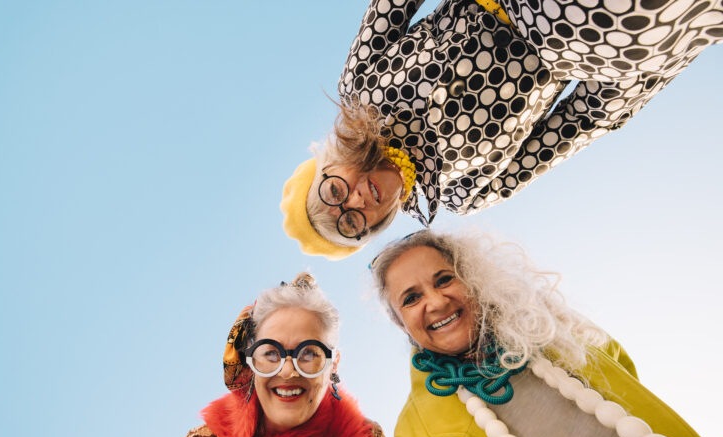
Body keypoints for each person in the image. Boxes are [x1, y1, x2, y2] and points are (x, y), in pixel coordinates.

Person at [281, 0, 722, 259]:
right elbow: (575, 124)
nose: (355, 200)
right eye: (353, 222)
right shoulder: (467, 192)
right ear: (375, 226)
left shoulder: (359, 88)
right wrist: (641, 66)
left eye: (334, 193)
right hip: (576, 47)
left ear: (328, 168)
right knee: (632, 27)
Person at [369, 230, 723, 437]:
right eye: (411, 298)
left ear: (471, 280)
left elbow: (620, 366)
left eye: (444, 279)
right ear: (401, 324)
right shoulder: (414, 432)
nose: (435, 301)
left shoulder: (543, 327)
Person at [162, 273, 393, 437]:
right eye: (271, 353)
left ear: (332, 364)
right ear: (251, 363)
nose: (288, 371)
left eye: (308, 353)